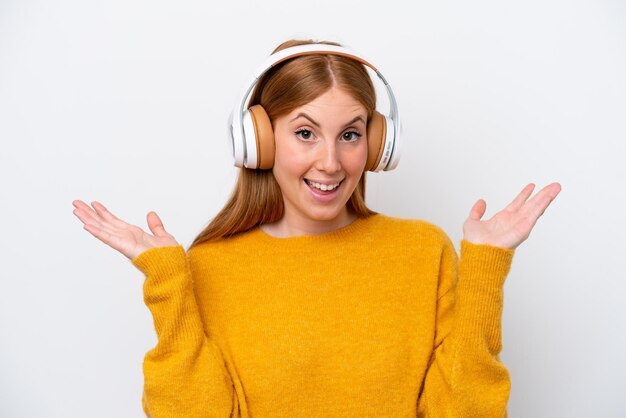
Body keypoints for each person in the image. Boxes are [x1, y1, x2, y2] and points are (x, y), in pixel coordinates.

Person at [72, 39, 561, 418]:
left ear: (374, 146)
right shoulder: (209, 266)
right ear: (259, 141)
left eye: (350, 134)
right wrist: (166, 282)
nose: (330, 162)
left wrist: (485, 272)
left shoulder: (422, 250)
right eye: (305, 133)